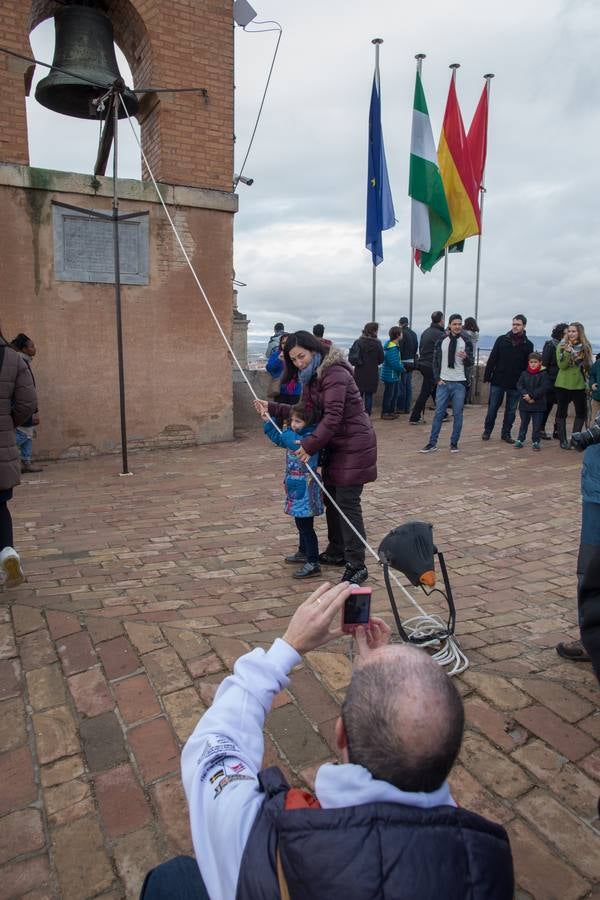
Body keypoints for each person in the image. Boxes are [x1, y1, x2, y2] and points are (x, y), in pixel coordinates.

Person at [140, 581, 514, 900]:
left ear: (340, 734)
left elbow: (213, 744)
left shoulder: (260, 836)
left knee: (172, 878)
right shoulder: (490, 860)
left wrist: (287, 647)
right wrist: (369, 679)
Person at [254, 331, 377, 585]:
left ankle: (357, 564)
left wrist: (309, 445)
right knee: (332, 498)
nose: (299, 363)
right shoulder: (312, 377)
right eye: (294, 360)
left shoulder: (335, 373)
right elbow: (306, 412)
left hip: (353, 445)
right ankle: (337, 551)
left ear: (314, 350)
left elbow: (332, 416)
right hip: (334, 445)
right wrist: (271, 407)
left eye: (302, 357)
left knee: (347, 504)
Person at [260, 401, 324, 579]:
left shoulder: (310, 438)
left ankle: (313, 561)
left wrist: (287, 428)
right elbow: (280, 438)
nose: (294, 425)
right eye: (292, 421)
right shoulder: (292, 435)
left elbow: (292, 443)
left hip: (306, 488)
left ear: (308, 422)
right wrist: (268, 421)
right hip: (294, 486)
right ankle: (303, 552)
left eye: (298, 421)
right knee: (300, 523)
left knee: (306, 526)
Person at [556, 412, 600, 662]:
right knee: (589, 570)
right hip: (595, 487)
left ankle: (593, 639)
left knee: (592, 571)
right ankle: (590, 637)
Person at [0, 328, 37, 589]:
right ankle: (7, 552)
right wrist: (7, 423)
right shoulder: (13, 359)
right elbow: (27, 402)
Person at [419, 314, 473, 454]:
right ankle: (432, 443)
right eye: (454, 324)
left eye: (459, 324)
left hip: (459, 382)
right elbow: (435, 361)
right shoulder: (441, 340)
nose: (457, 327)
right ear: (449, 325)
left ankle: (454, 443)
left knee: (458, 414)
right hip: (443, 382)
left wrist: (466, 358)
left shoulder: (466, 340)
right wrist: (437, 378)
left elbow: (471, 362)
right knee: (438, 413)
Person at [482, 314, 533, 444]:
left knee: (511, 411)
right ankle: (487, 431)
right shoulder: (501, 339)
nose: (515, 327)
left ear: (524, 326)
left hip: (515, 383)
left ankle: (506, 433)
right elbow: (493, 357)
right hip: (498, 380)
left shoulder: (528, 344)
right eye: (514, 324)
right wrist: (487, 375)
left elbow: (528, 366)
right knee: (493, 407)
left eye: (518, 325)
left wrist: (525, 383)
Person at [554, 321, 593, 450]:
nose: (570, 334)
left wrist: (576, 354)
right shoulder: (561, 346)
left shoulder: (586, 347)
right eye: (569, 331)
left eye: (573, 331)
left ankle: (575, 439)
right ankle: (563, 440)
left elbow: (588, 365)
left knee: (581, 413)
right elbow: (562, 366)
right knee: (561, 412)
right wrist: (567, 352)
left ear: (579, 333)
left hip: (579, 384)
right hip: (563, 384)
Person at [10, 333, 42, 473]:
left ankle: (26, 462)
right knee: (24, 434)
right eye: (31, 346)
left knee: (29, 432)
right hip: (20, 404)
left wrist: (34, 410)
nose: (34, 348)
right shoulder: (19, 362)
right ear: (23, 349)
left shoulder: (25, 361)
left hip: (26, 404)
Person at [409, 311, 445, 425]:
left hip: (423, 364)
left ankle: (443, 413)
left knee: (433, 389)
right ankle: (414, 417)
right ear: (441, 320)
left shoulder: (426, 332)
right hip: (431, 366)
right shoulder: (440, 334)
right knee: (426, 392)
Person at [513, 352, 549, 450]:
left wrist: (532, 396)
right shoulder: (524, 373)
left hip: (538, 404)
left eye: (535, 362)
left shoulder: (544, 374)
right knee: (523, 424)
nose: (533, 364)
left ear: (540, 363)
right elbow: (519, 385)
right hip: (525, 404)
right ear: (528, 362)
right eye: (531, 362)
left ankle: (536, 441)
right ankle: (520, 439)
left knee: (536, 425)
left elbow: (543, 388)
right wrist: (526, 395)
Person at [540, 322, 568, 439]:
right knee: (547, 406)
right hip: (551, 380)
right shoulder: (550, 345)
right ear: (561, 333)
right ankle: (541, 428)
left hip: (563, 380)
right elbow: (544, 364)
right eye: (566, 333)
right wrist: (545, 381)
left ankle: (558, 430)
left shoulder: (567, 346)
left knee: (562, 407)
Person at [349, 322, 384, 416]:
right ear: (374, 331)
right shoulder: (378, 344)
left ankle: (357, 413)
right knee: (369, 395)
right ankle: (367, 414)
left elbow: (352, 357)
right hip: (372, 372)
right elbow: (381, 359)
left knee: (358, 395)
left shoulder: (358, 342)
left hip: (360, 371)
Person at [380, 326, 404, 420]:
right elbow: (395, 364)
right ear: (397, 335)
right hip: (391, 375)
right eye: (401, 333)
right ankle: (385, 413)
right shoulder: (392, 348)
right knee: (389, 395)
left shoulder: (392, 346)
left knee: (393, 394)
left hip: (392, 375)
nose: (402, 334)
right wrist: (402, 368)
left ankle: (390, 412)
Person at [396, 316, 418, 414]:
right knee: (408, 385)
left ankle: (400, 407)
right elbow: (416, 346)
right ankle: (407, 407)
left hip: (403, 361)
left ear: (400, 323)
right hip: (411, 362)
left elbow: (399, 348)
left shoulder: (401, 333)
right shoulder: (413, 333)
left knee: (401, 386)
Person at [463, 316, 479, 404]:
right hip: (472, 357)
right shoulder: (475, 334)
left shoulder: (466, 334)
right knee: (468, 379)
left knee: (463, 378)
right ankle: (466, 399)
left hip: (465, 357)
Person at [589, 352, 600, 421]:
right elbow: (592, 374)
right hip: (597, 396)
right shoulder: (598, 363)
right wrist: (592, 384)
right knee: (593, 420)